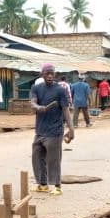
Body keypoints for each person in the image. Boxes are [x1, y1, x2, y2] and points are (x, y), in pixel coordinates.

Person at [31, 64, 73, 196]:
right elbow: (32, 102)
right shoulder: (36, 88)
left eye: (52, 73)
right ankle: (43, 184)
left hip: (55, 131)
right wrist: (38, 107)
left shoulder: (60, 90)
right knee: (37, 156)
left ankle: (57, 186)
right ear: (42, 74)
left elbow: (65, 110)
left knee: (53, 159)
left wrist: (71, 129)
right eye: (47, 73)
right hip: (40, 130)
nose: (50, 75)